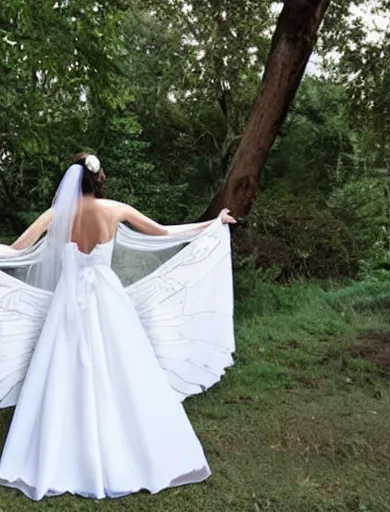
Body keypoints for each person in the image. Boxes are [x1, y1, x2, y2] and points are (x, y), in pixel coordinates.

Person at [0, 153, 237, 500]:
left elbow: (17, 249)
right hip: (108, 301)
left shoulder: (56, 215)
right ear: (98, 179)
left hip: (67, 305)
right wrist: (213, 223)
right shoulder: (115, 210)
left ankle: (64, 447)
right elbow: (165, 232)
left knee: (64, 370)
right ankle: (131, 446)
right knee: (124, 368)